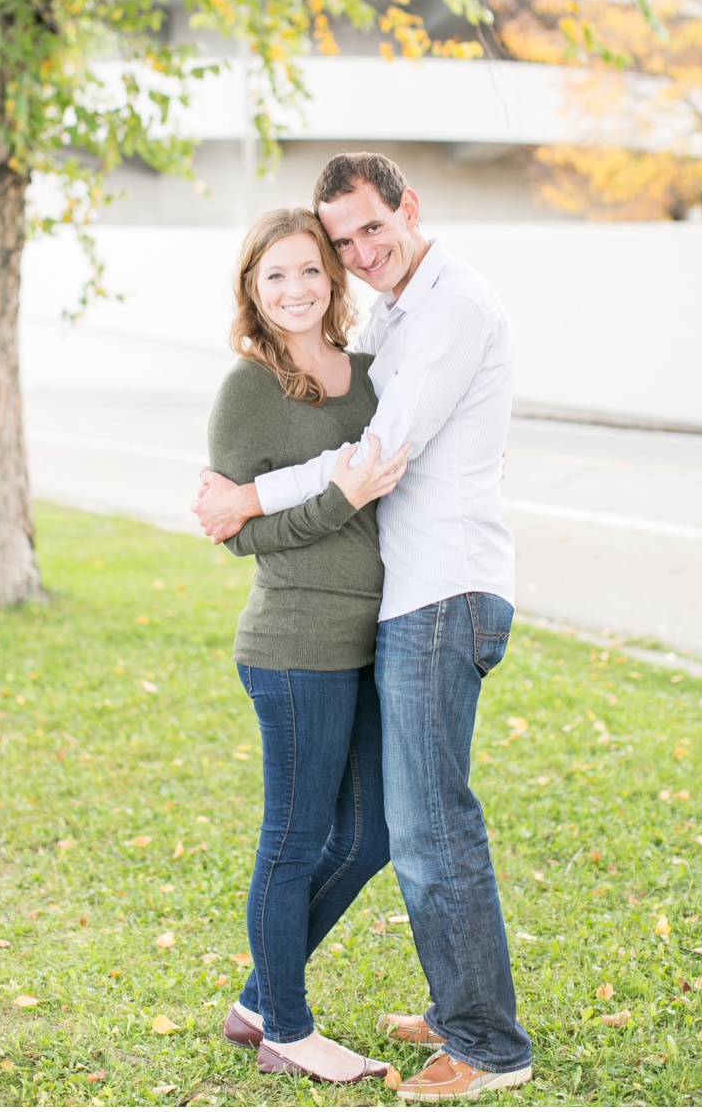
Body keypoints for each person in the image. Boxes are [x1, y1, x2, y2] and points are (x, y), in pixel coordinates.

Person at [193, 152, 534, 1101]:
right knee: (392, 825)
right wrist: (250, 506)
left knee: (424, 828)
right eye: (340, 240)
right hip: (381, 611)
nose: (357, 252)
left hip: (443, 592)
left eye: (367, 231)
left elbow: (375, 458)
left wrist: (248, 496)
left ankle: (485, 1042)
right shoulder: (392, 317)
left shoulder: (450, 307)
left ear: (408, 209)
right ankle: (308, 1003)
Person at [207, 207, 409, 1084]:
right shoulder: (247, 390)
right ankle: (287, 1027)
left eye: (309, 272)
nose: (294, 290)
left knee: (371, 834)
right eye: (274, 275)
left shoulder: (371, 376)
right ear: (253, 288)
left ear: (335, 280)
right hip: (292, 646)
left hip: (374, 637)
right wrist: (342, 493)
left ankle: (259, 997)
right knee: (293, 838)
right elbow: (237, 530)